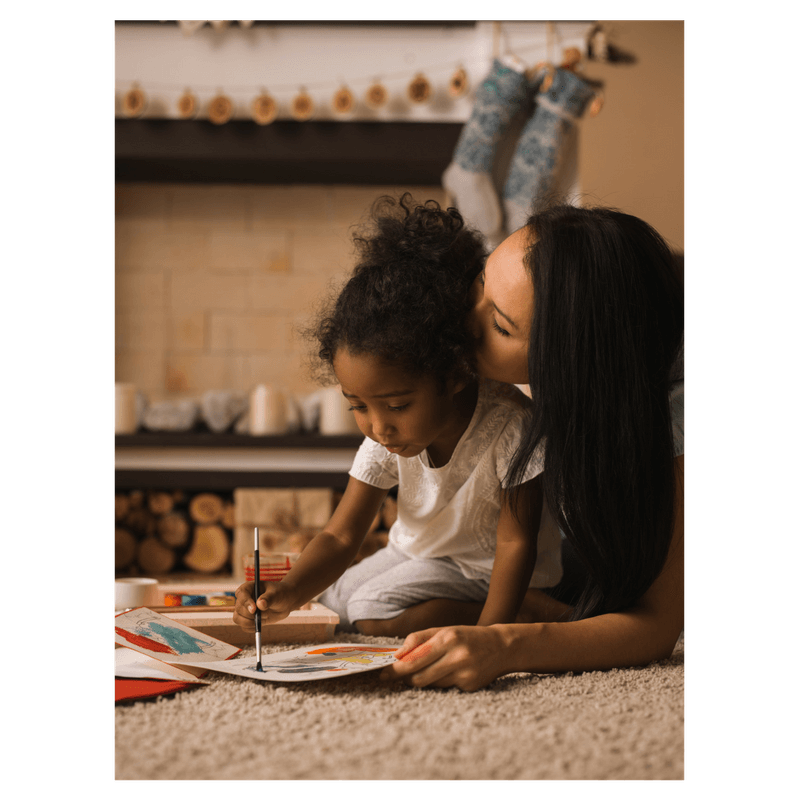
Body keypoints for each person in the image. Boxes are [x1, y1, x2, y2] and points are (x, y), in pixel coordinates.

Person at [381, 201, 686, 691]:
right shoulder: (555, 386)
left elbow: (656, 626)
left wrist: (504, 644)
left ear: (577, 358)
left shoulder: (669, 423)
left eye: (501, 327)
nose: (465, 321)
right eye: (480, 284)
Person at [233, 195, 554, 638]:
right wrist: (285, 593)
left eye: (398, 406)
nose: (378, 428)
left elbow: (516, 543)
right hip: (420, 554)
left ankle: (527, 608)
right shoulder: (386, 436)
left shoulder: (511, 427)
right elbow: (341, 536)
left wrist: (490, 636)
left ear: (455, 374)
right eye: (358, 407)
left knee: (369, 611)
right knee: (335, 604)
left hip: (490, 568)